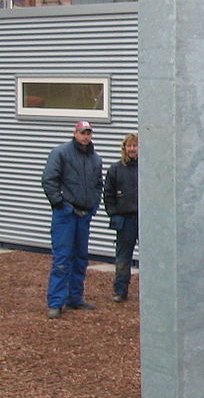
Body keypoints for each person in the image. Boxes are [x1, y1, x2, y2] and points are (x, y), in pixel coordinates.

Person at [41, 120, 104, 319]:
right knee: (62, 258)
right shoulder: (60, 153)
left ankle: (75, 298)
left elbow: (98, 185)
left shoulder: (95, 159)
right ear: (74, 133)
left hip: (84, 215)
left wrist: (94, 205)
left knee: (80, 258)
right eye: (82, 132)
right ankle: (55, 302)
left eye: (88, 133)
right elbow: (49, 180)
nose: (86, 136)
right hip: (65, 215)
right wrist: (60, 203)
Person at [103, 132, 139, 302]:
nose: (132, 149)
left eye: (135, 145)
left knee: (152, 257)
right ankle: (120, 290)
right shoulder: (115, 170)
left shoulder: (148, 168)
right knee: (123, 257)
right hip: (125, 220)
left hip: (146, 220)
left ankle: (152, 291)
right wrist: (113, 213)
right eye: (129, 145)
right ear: (124, 148)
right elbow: (108, 195)